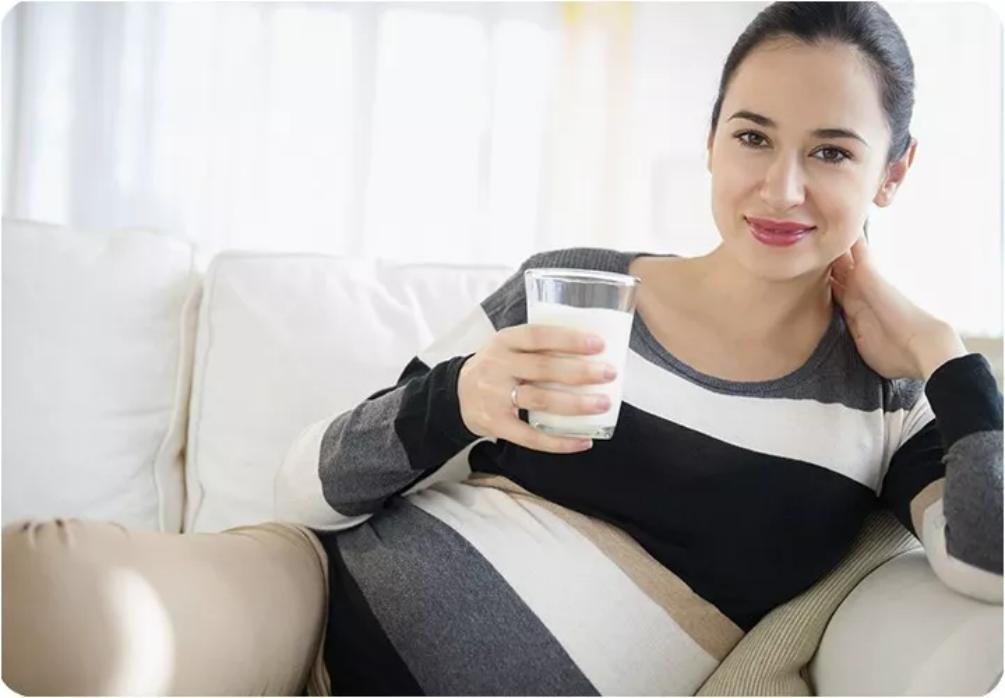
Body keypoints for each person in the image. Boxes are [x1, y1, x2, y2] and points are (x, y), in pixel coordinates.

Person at [3, 2, 1002, 696]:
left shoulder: (890, 396)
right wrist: (457, 401)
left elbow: (992, 563)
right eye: (752, 137)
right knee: (54, 589)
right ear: (710, 142)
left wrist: (947, 358)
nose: (781, 188)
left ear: (893, 172)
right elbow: (298, 485)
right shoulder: (575, 286)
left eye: (830, 150)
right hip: (302, 612)